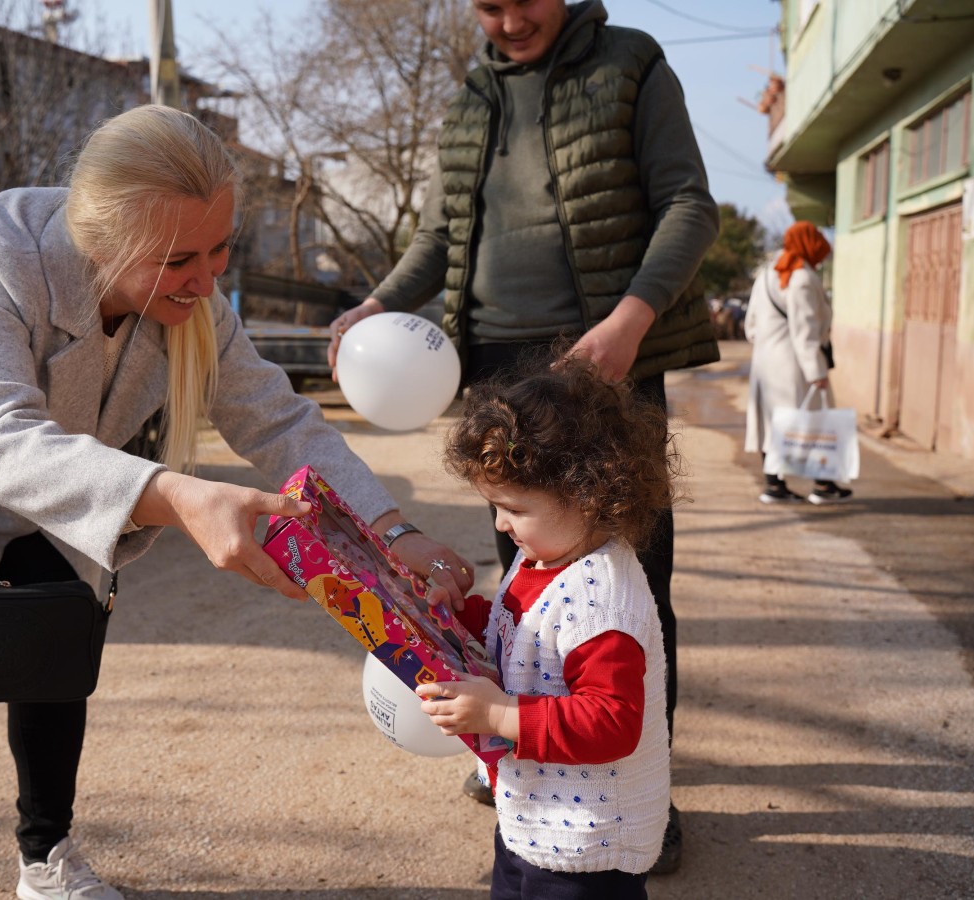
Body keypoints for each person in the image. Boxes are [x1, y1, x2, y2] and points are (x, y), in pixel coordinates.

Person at [0, 105, 474, 900]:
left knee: (58, 630)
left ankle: (46, 860)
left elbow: (276, 418)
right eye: (179, 260)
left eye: (221, 248)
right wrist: (173, 495)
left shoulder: (194, 298)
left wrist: (391, 529)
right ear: (101, 243)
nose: (208, 282)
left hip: (63, 454)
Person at [325, 0, 718, 872]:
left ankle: (638, 777)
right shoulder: (469, 99)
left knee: (630, 584)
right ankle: (518, 742)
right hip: (496, 370)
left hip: (606, 358)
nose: (507, 20)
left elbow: (689, 204)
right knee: (522, 570)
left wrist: (629, 323)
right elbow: (439, 237)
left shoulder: (631, 63)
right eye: (487, 5)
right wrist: (380, 304)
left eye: (523, 0)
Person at [417, 350, 677, 900]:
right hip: (534, 816)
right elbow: (524, 638)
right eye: (494, 505)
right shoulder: (545, 556)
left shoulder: (603, 603)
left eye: (514, 508)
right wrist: (459, 615)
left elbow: (611, 721)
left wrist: (496, 713)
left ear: (588, 496)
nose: (499, 522)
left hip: (587, 848)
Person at [743, 220, 851, 505]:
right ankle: (823, 486)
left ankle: (774, 485)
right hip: (794, 364)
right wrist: (815, 370)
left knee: (774, 424)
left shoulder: (766, 274)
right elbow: (805, 331)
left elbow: (750, 326)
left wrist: (769, 344)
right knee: (814, 423)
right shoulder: (801, 277)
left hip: (766, 363)